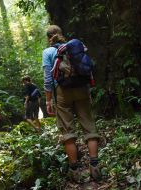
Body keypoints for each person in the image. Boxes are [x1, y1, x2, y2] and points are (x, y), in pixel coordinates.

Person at [42, 25, 101, 183]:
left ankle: (75, 171)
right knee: (89, 126)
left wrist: (48, 100)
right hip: (82, 88)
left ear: (48, 38)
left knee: (68, 131)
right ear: (61, 34)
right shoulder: (74, 47)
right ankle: (94, 167)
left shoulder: (48, 52)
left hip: (62, 93)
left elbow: (48, 79)